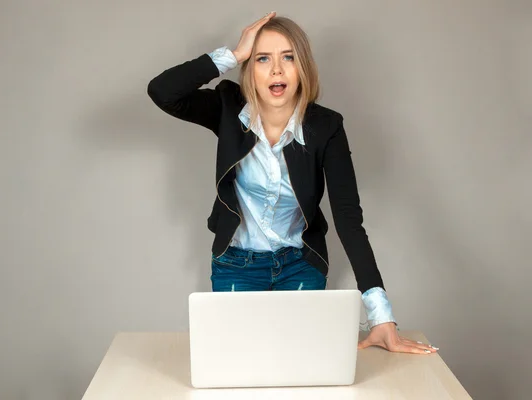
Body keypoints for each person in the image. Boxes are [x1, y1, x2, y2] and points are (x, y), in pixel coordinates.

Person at [148, 12, 438, 355]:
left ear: (303, 67)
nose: (276, 70)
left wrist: (381, 317)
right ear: (249, 70)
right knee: (237, 363)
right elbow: (163, 91)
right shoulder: (227, 109)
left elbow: (348, 219)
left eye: (288, 57)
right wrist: (234, 54)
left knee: (301, 364)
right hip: (236, 265)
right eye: (262, 59)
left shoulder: (326, 126)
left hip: (299, 265)